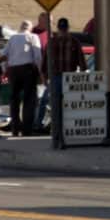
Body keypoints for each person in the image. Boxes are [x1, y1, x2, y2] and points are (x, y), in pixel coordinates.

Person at [44, 16, 86, 150]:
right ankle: (59, 137)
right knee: (64, 107)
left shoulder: (55, 41)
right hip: (67, 77)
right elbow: (82, 63)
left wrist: (45, 78)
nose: (62, 31)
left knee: (58, 107)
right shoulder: (73, 41)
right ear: (67, 28)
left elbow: (44, 63)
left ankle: (58, 136)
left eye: (63, 28)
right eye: (62, 29)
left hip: (63, 78)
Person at [5, 20, 41, 135]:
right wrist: (40, 71)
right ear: (30, 28)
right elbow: (37, 56)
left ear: (20, 27)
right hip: (28, 70)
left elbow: (5, 54)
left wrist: (5, 69)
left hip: (13, 70)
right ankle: (27, 130)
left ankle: (15, 129)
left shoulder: (13, 38)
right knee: (29, 99)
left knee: (14, 100)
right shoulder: (33, 37)